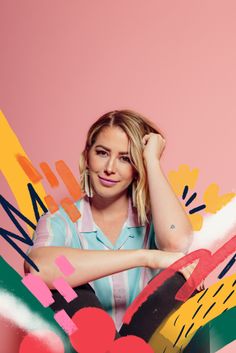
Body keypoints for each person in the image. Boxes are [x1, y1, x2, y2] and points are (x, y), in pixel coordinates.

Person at [25, 109, 195, 341]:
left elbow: (177, 242)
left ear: (137, 168)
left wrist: (152, 162)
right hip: (81, 344)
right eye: (102, 153)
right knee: (63, 288)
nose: (110, 168)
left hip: (148, 344)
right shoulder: (60, 221)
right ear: (87, 156)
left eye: (125, 159)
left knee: (182, 280)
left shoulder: (153, 220)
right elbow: (36, 270)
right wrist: (146, 257)